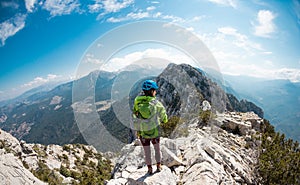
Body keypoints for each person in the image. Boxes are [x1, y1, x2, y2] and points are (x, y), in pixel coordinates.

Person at [132, 80, 168, 175]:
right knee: (157, 149)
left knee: (147, 151)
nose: (156, 92)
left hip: (143, 131)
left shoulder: (137, 101)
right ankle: (158, 166)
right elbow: (164, 116)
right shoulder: (156, 103)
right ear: (152, 91)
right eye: (155, 90)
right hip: (155, 132)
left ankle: (149, 169)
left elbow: (135, 114)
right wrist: (164, 121)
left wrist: (137, 129)